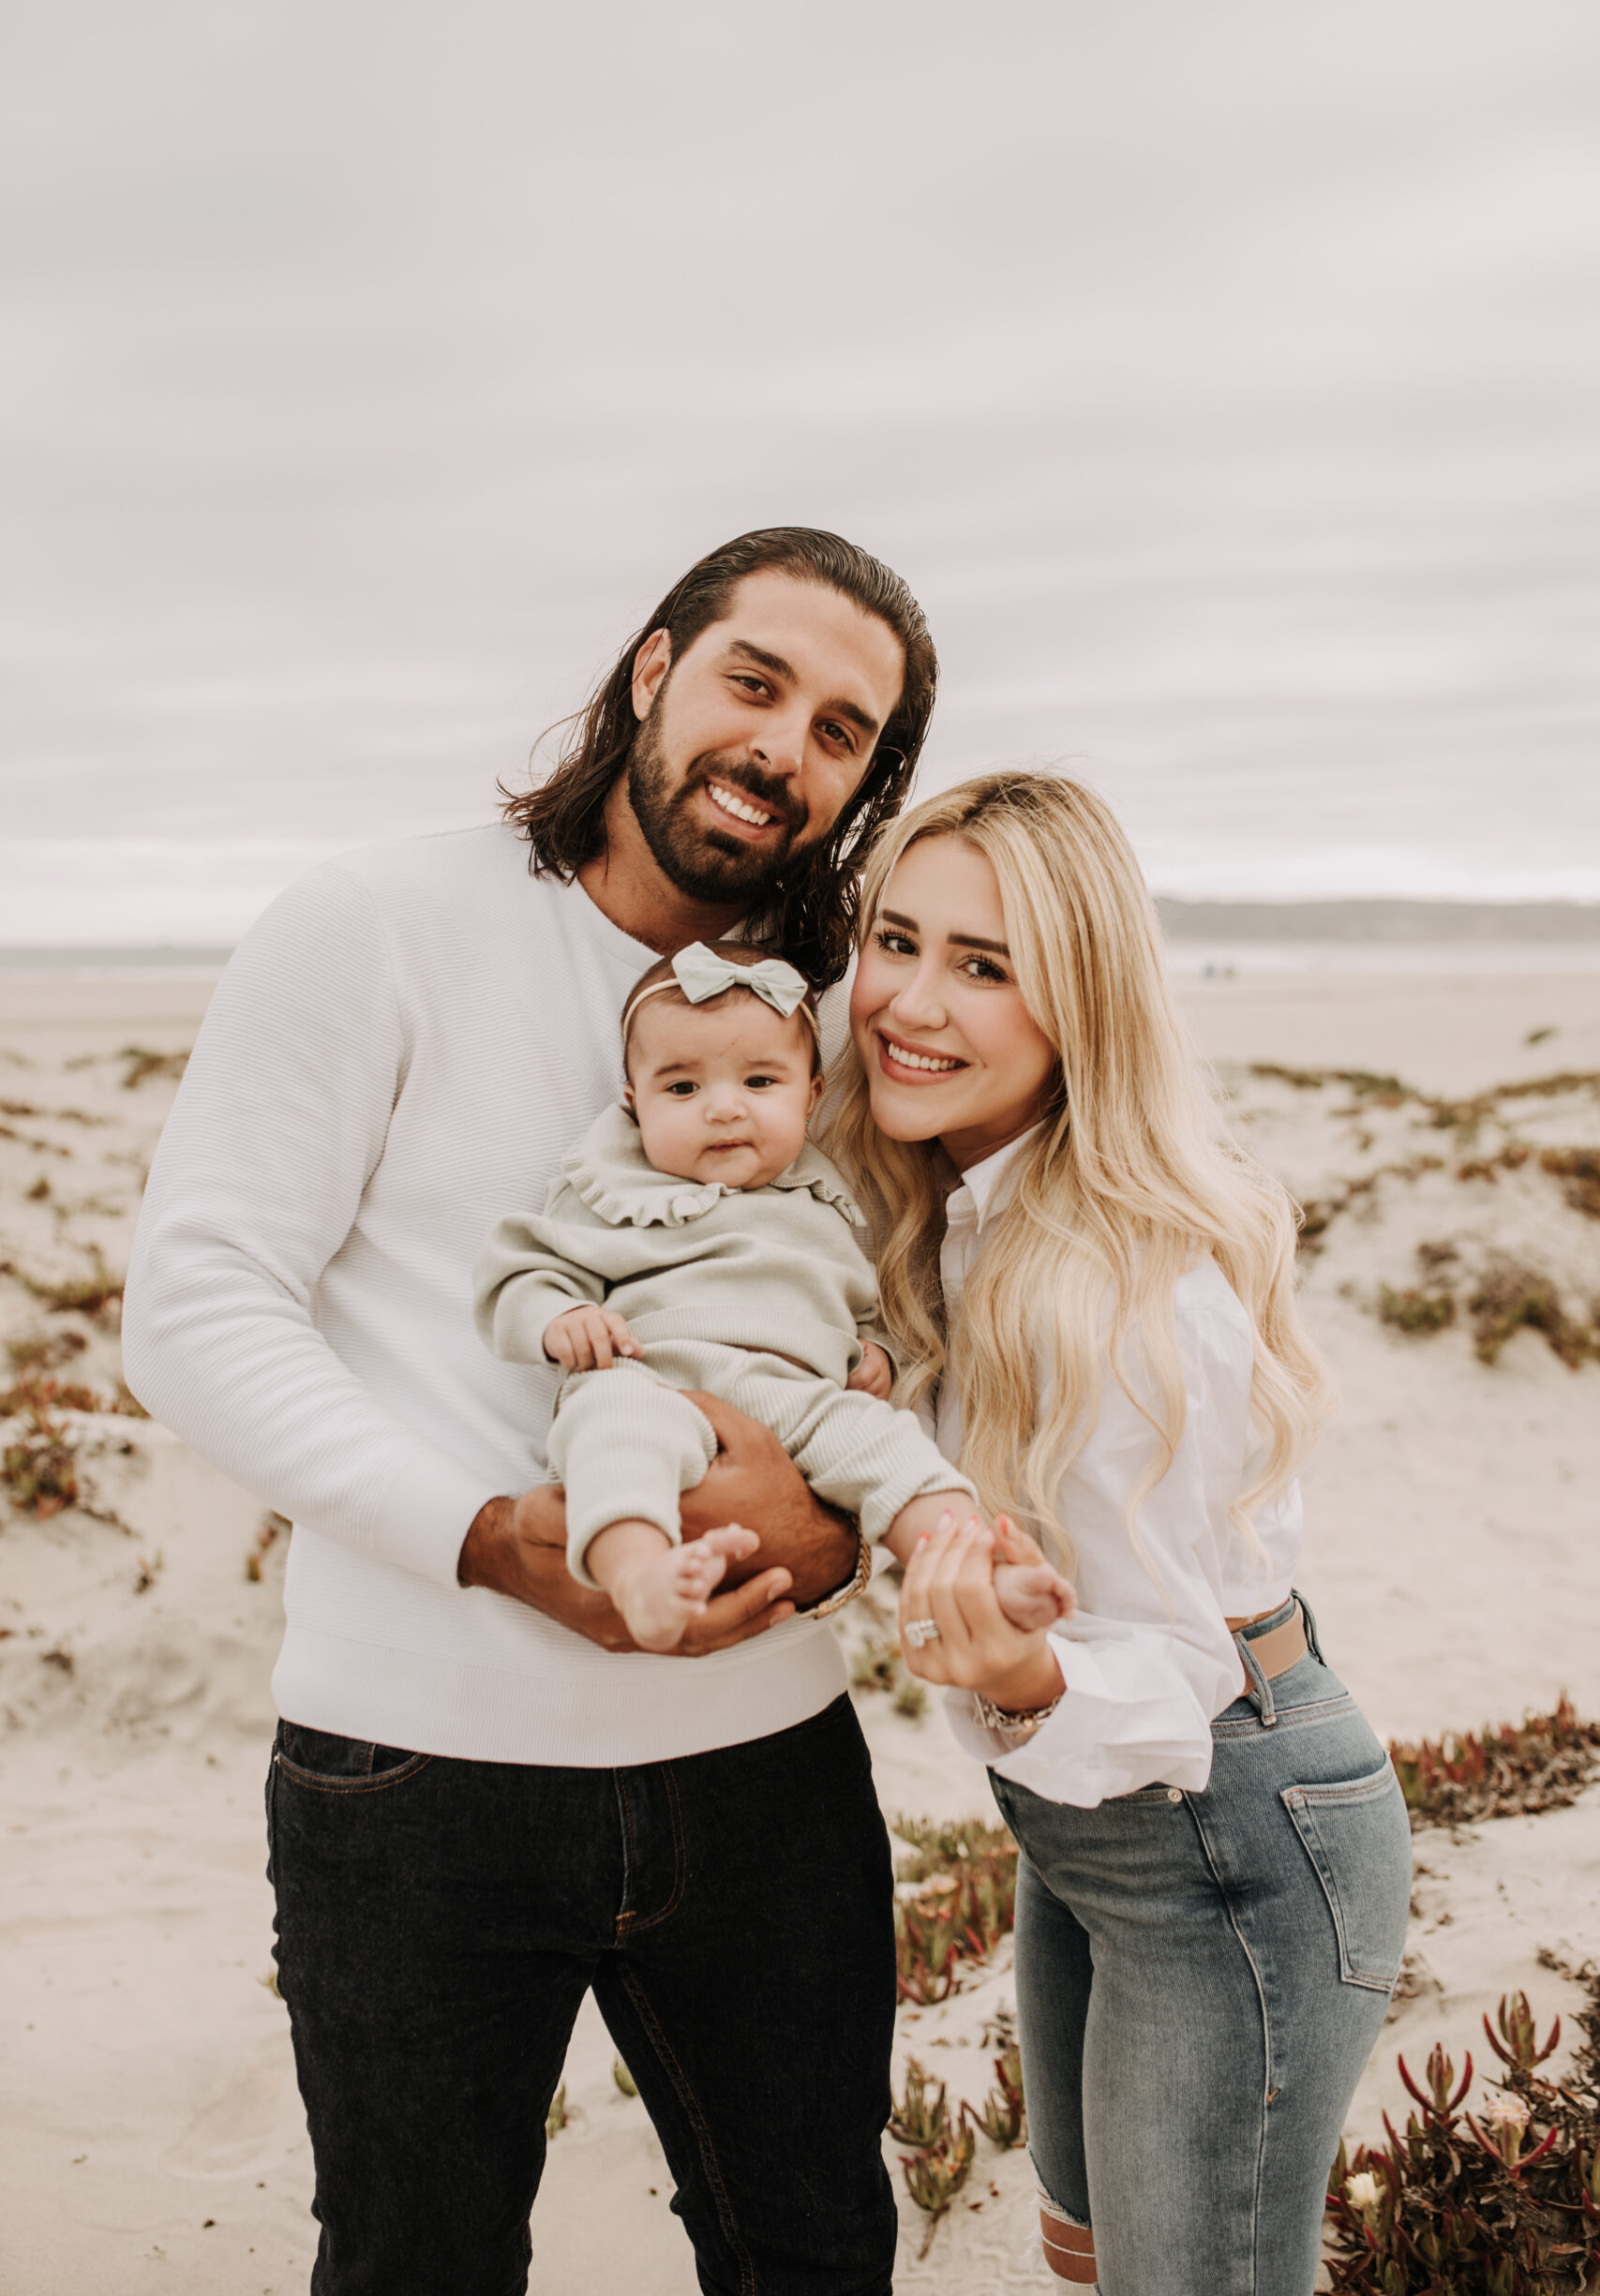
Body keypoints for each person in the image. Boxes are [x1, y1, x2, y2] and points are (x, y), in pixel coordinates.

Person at [124, 527, 952, 2296]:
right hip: (413, 1776)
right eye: (754, 683)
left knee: (814, 2254)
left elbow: (900, 1315)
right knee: (418, 2266)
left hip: (768, 1770)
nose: (782, 749)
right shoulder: (374, 925)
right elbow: (195, 1309)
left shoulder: (843, 1021)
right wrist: (497, 1541)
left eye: (841, 733)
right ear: (651, 673)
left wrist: (834, 1530)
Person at [824, 770, 1414, 2296]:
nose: (909, 1001)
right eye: (897, 940)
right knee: (1092, 2256)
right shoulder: (954, 1207)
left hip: (1225, 1836)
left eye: (984, 965)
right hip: (1080, 1845)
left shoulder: (1124, 1296)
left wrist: (1019, 1677)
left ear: (1077, 1006)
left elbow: (1171, 1680)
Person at [475, 934, 1068, 1649]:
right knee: (611, 1432)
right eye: (683, 1088)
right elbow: (520, 1269)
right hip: (653, 1376)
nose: (723, 1109)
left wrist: (873, 1350)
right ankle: (637, 1579)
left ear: (811, 1095)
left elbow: (858, 1303)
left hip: (802, 1394)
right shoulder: (611, 1188)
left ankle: (976, 1568)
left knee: (892, 1450)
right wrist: (558, 1316)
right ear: (634, 1104)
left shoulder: (826, 1197)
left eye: (759, 1083)